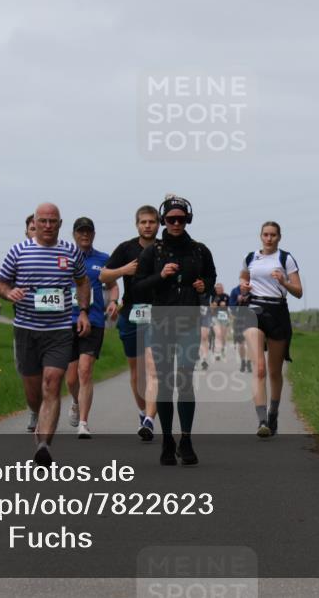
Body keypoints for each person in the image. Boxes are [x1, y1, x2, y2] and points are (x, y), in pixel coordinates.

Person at [0, 203, 90, 466]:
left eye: (53, 221)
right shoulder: (18, 251)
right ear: (34, 223)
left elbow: (83, 282)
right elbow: (1, 283)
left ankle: (43, 446)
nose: (48, 226)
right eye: (43, 221)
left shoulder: (70, 252)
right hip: (27, 329)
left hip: (59, 330)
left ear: (60, 224)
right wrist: (8, 293)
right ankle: (37, 417)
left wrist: (83, 311)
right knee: (33, 392)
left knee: (52, 382)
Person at [134, 195, 216, 466]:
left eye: (181, 219)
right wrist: (161, 276)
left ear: (188, 219)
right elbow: (137, 287)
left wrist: (205, 284)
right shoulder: (152, 252)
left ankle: (187, 439)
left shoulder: (200, 251)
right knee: (166, 382)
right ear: (163, 221)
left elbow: (211, 277)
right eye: (171, 219)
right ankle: (167, 440)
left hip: (189, 321)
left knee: (185, 378)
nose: (176, 223)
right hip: (161, 322)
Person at [101, 205, 161, 440]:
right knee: (136, 373)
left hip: (157, 314)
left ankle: (149, 419)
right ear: (137, 224)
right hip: (131, 314)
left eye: (152, 222)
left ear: (158, 224)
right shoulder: (126, 248)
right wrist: (124, 269)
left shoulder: (164, 248)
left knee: (152, 368)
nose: (148, 226)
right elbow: (103, 276)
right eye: (143, 222)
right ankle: (142, 411)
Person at [240, 221, 302, 437]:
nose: (269, 238)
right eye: (266, 234)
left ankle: (273, 411)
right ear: (260, 236)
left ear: (279, 237)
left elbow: (299, 291)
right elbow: (244, 276)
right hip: (254, 309)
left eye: (273, 235)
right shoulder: (251, 257)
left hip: (277, 310)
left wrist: (284, 282)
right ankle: (262, 421)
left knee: (274, 371)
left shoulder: (286, 258)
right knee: (259, 369)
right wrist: (243, 285)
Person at [64, 217, 118, 439]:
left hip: (94, 320)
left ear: (94, 234)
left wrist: (114, 301)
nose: (84, 235)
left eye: (88, 232)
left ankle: (84, 422)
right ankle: (75, 402)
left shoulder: (103, 259)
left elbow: (112, 285)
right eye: (80, 232)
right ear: (74, 234)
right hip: (67, 320)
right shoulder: (64, 257)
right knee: (70, 378)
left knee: (85, 370)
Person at [228, 283, 252, 373]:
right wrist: (237, 301)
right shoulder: (234, 291)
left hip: (250, 319)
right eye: (242, 286)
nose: (243, 287)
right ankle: (243, 362)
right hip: (238, 319)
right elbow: (231, 305)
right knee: (241, 343)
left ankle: (249, 362)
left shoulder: (253, 291)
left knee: (249, 342)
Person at [211, 283, 230, 361]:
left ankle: (222, 349)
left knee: (223, 336)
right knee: (218, 334)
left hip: (224, 317)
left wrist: (225, 305)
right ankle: (217, 353)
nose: (218, 289)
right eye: (217, 288)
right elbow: (211, 307)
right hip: (215, 317)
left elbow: (231, 306)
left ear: (223, 288)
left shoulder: (226, 296)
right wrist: (215, 304)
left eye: (220, 288)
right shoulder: (213, 296)